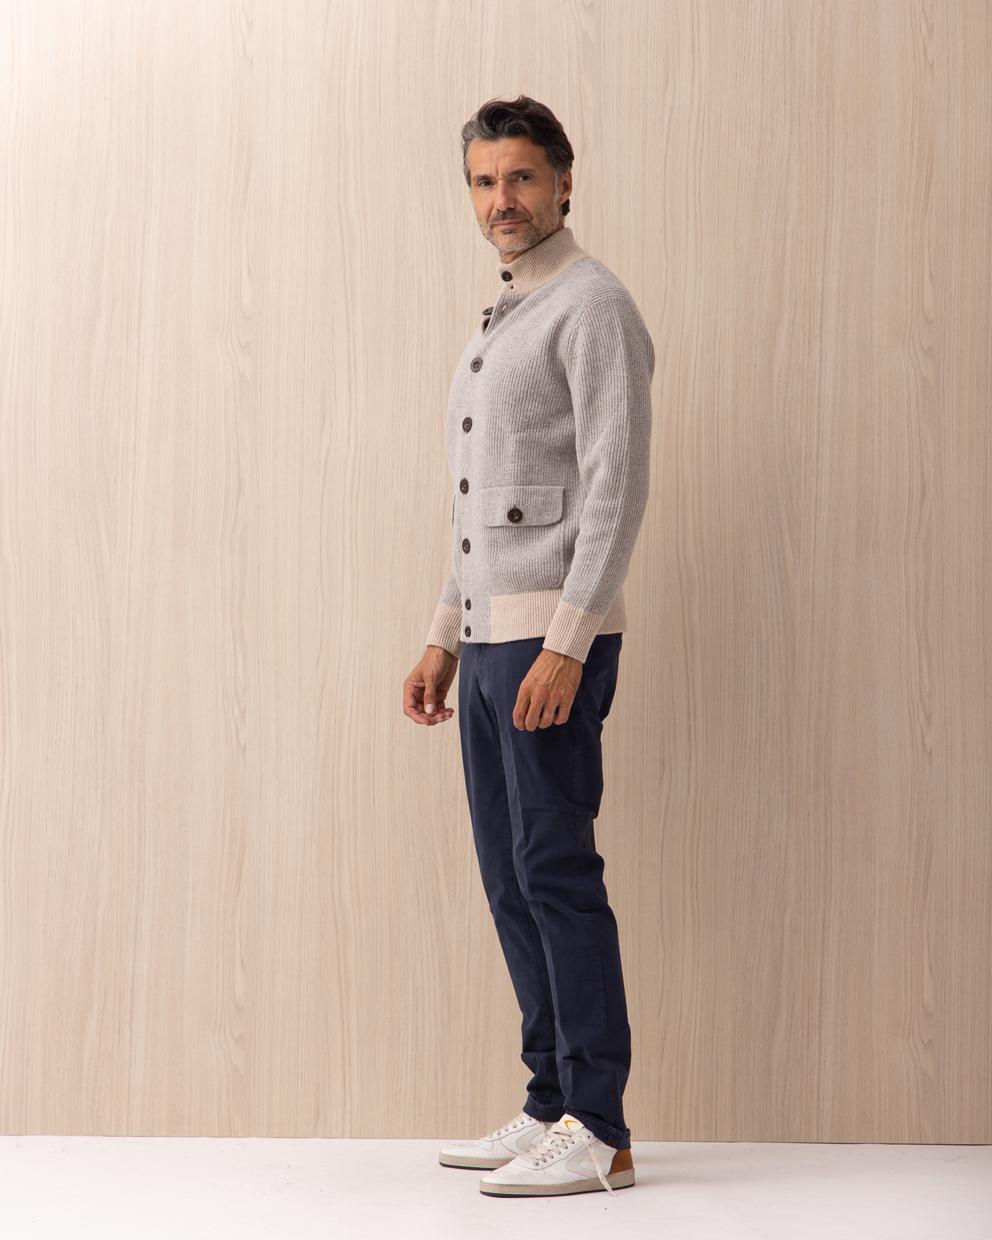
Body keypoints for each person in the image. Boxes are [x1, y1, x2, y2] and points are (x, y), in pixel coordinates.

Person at [403, 94, 655, 1198]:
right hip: (490, 641)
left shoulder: (591, 306)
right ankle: (549, 1097)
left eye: (519, 177)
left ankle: (598, 1126)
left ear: (562, 182)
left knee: (555, 870)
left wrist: (567, 643)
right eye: (482, 180)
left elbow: (614, 486)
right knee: (509, 875)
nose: (500, 199)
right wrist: (442, 635)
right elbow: (479, 503)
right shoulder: (503, 313)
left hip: (550, 640)